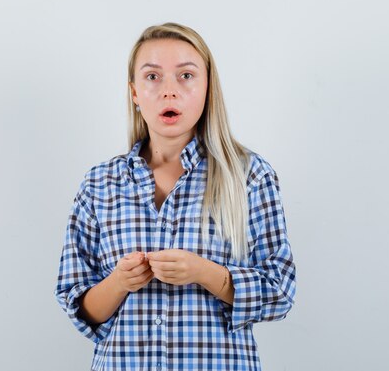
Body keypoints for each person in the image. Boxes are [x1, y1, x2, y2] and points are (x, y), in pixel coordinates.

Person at [54, 22, 296, 371]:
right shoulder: (99, 185)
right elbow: (80, 308)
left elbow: (280, 292)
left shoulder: (250, 177)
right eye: (152, 77)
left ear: (207, 87)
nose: (169, 90)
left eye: (186, 75)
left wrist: (204, 272)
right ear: (135, 92)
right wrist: (120, 282)